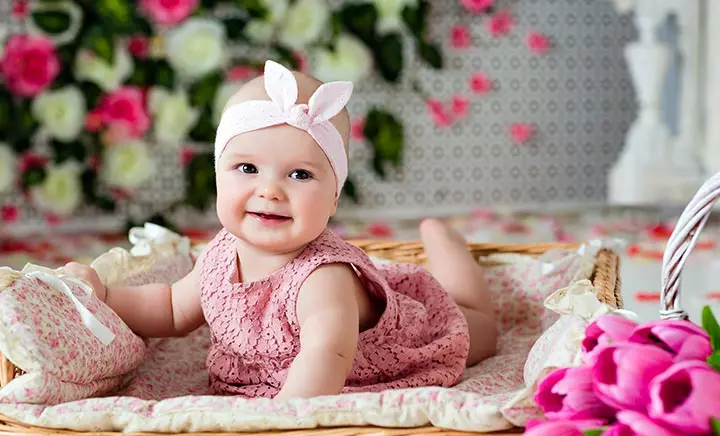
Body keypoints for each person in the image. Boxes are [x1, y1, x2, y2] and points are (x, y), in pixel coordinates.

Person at [64, 60, 497, 400]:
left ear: (333, 199)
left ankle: (446, 243)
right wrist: (104, 295)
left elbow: (326, 355)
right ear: (218, 176)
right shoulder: (221, 253)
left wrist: (283, 421)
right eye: (247, 168)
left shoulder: (321, 278)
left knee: (473, 327)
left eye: (300, 175)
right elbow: (172, 309)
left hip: (404, 344)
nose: (269, 191)